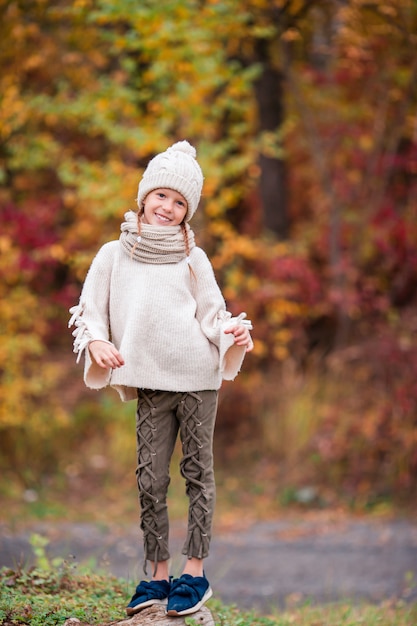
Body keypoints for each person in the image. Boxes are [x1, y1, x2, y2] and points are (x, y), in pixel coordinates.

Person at [68, 140, 253, 617]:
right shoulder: (113, 255)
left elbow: (214, 316)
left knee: (197, 473)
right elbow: (89, 312)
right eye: (161, 196)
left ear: (187, 210)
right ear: (143, 197)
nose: (168, 208)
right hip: (151, 381)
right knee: (150, 479)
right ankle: (156, 575)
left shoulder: (194, 258)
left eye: (179, 202)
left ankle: (194, 573)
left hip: (196, 378)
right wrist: (96, 342)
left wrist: (231, 330)